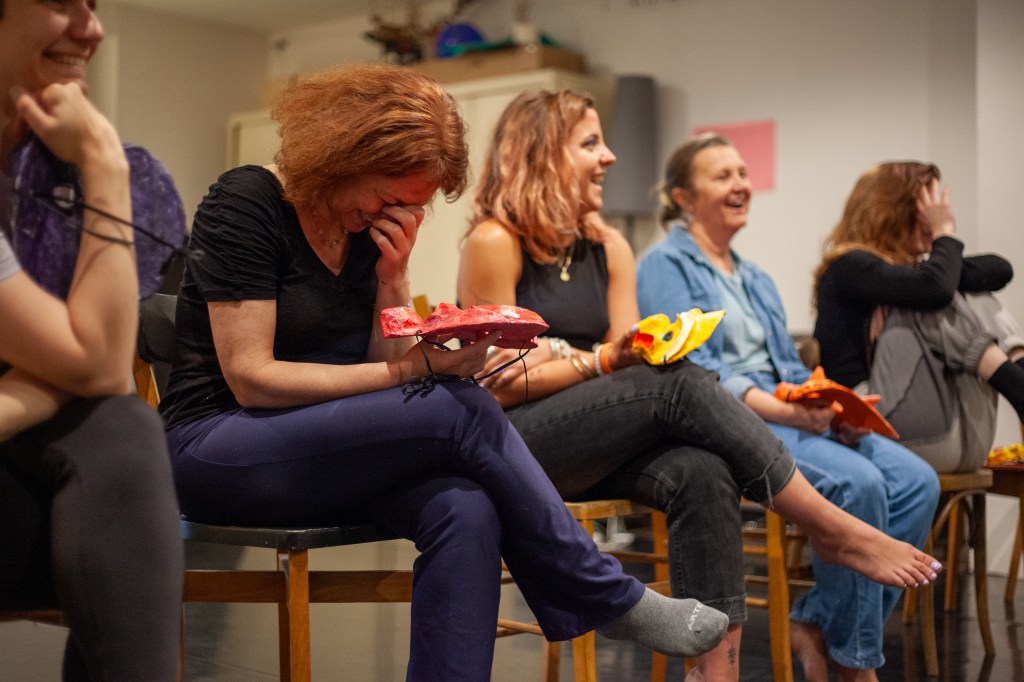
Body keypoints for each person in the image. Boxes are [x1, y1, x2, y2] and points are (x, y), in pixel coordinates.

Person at [157, 64, 737, 681]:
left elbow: (379, 366)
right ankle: (603, 593)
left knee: (466, 508)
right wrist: (417, 370)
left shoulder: (364, 230)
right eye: (390, 198)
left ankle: (587, 597)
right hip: (217, 446)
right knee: (453, 403)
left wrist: (393, 280)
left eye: (414, 205)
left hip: (319, 444)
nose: (395, 213)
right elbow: (253, 379)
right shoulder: (246, 201)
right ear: (343, 156)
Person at [458, 91, 941, 682]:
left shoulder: (609, 246)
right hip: (516, 443)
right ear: (542, 155)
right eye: (591, 143)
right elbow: (500, 379)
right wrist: (599, 359)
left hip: (596, 437)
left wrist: (574, 356)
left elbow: (626, 359)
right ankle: (830, 527)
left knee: (704, 469)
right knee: (677, 381)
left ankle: (715, 672)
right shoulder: (495, 240)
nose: (610, 156)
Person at [636, 133, 942, 682]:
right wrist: (789, 413)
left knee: (918, 482)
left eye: (742, 173)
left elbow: (791, 370)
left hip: (786, 411)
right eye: (722, 176)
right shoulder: (664, 265)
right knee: (860, 486)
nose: (740, 184)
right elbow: (691, 370)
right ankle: (855, 664)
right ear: (684, 198)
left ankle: (818, 621)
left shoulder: (755, 276)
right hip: (730, 421)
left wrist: (832, 405)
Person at [0, 0, 183, 679]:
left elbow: (97, 367)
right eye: (60, 2)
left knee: (121, 430)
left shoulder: (42, 176)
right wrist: (106, 162)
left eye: (95, 4)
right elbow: (98, 362)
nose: (92, 27)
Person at [813, 161, 1024, 473]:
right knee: (922, 301)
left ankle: (1016, 367)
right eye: (925, 209)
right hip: (870, 425)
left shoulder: (912, 276)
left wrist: (935, 270)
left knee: (965, 293)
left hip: (953, 436)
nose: (932, 219)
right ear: (891, 211)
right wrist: (944, 233)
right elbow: (935, 288)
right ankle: (1014, 379)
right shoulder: (847, 266)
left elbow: (1000, 269)